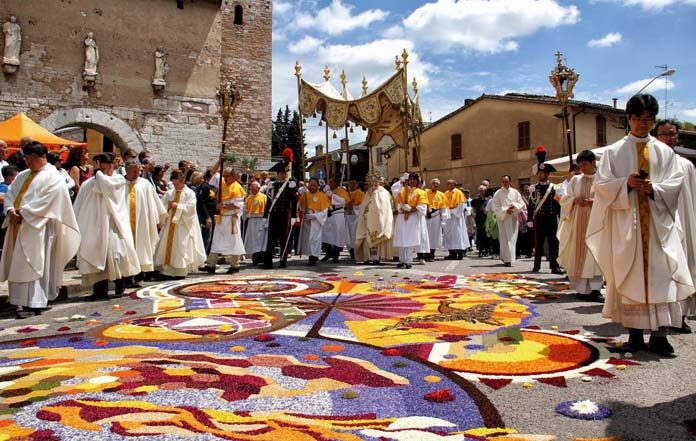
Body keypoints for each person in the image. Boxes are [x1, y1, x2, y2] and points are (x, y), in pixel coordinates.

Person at [586, 93, 693, 357]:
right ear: (628, 118)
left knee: (661, 274)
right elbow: (601, 186)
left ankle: (659, 336)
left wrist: (654, 188)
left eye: (648, 119)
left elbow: (675, 183)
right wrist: (626, 185)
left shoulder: (665, 152)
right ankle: (634, 334)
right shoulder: (613, 152)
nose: (642, 124)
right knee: (631, 274)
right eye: (637, 119)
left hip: (658, 225)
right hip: (628, 225)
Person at [0, 142, 79, 318]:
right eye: (25, 157)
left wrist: (23, 212)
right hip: (18, 225)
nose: (27, 161)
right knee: (19, 262)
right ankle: (19, 302)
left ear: (42, 156)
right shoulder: (22, 175)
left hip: (40, 226)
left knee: (35, 261)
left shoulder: (53, 177)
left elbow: (49, 200)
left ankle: (34, 303)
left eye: (31, 158)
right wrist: (10, 210)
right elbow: (11, 194)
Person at [74, 153, 140, 301]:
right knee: (96, 258)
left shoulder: (117, 181)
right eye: (99, 166)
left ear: (111, 166)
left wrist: (98, 173)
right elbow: (79, 204)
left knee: (116, 256)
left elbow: (107, 186)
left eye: (103, 166)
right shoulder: (88, 183)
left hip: (112, 225)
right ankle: (99, 291)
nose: (102, 170)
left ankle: (120, 285)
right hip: (93, 227)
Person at [652, 119, 695, 333]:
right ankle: (662, 316)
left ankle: (682, 315)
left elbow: (692, 198)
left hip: (684, 220)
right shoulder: (652, 163)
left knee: (684, 264)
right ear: (656, 137)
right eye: (664, 134)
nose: (669, 138)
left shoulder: (686, 165)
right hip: (662, 224)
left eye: (673, 134)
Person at [557, 150, 604, 302]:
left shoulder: (602, 179)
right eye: (580, 165)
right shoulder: (576, 180)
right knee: (579, 254)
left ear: (593, 163)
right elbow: (565, 198)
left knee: (595, 255)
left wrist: (595, 203)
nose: (582, 168)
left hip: (597, 224)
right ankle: (582, 289)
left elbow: (609, 199)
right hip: (578, 223)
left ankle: (596, 289)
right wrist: (574, 200)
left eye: (584, 164)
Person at [154, 171, 206, 278]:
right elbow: (161, 207)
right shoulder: (170, 193)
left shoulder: (189, 193)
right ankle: (166, 270)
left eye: (177, 183)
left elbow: (191, 209)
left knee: (180, 246)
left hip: (182, 225)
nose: (175, 185)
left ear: (182, 181)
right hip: (170, 224)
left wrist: (177, 205)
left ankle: (179, 271)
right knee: (167, 246)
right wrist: (166, 209)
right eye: (174, 183)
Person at [123, 160, 166, 284]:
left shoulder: (144, 184)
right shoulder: (119, 183)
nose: (137, 174)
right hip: (124, 223)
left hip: (142, 222)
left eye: (139, 171)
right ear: (127, 170)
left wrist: (156, 219)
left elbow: (153, 202)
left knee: (141, 249)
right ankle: (125, 277)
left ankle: (139, 276)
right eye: (134, 171)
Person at [202, 168, 246, 274]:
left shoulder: (237, 188)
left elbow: (237, 205)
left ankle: (235, 265)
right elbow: (211, 175)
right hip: (221, 217)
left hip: (231, 219)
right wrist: (219, 161)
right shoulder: (222, 183)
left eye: (227, 176)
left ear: (234, 176)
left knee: (234, 241)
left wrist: (224, 205)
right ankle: (211, 264)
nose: (224, 178)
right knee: (216, 240)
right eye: (224, 175)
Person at [528, 162, 563, 274]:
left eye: (542, 173)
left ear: (547, 174)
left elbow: (558, 204)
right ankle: (536, 265)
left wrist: (561, 217)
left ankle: (554, 266)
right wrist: (529, 219)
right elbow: (531, 205)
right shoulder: (534, 188)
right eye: (539, 173)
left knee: (553, 242)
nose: (540, 175)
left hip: (552, 218)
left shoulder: (555, 188)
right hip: (540, 218)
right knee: (539, 242)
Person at [262, 164, 297, 269]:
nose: (283, 175)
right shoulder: (272, 185)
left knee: (283, 239)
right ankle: (268, 262)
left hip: (284, 215)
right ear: (277, 174)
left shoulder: (289, 185)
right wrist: (265, 216)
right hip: (273, 215)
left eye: (284, 173)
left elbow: (293, 201)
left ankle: (283, 261)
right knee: (271, 239)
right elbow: (268, 202)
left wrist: (294, 216)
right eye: (281, 173)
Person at [355, 172, 394, 264]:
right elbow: (364, 206)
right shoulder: (368, 193)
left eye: (375, 181)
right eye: (371, 181)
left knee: (378, 234)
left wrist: (379, 213)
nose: (373, 183)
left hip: (380, 218)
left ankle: (377, 257)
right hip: (367, 218)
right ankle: (367, 257)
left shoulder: (384, 192)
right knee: (367, 235)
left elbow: (386, 206)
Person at [393, 173, 428, 269]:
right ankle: (401, 260)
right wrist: (401, 181)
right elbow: (394, 190)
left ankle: (408, 260)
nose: (412, 181)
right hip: (401, 217)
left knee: (409, 239)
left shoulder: (421, 192)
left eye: (414, 179)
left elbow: (422, 207)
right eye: (410, 179)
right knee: (401, 238)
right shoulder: (403, 190)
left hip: (412, 218)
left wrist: (410, 209)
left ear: (417, 181)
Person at [491, 175, 525, 267]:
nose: (505, 183)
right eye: (503, 181)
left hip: (513, 218)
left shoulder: (515, 192)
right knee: (504, 239)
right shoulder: (498, 193)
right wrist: (505, 210)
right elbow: (495, 206)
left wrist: (514, 207)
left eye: (506, 181)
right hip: (503, 218)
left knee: (512, 239)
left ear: (509, 182)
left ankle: (510, 258)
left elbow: (521, 203)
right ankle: (506, 259)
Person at [298, 177, 330, 266]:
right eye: (310, 185)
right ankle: (310, 255)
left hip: (316, 221)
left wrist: (314, 216)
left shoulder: (322, 196)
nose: (312, 187)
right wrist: (301, 196)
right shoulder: (305, 195)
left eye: (314, 185)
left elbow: (324, 212)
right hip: (307, 221)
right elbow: (301, 207)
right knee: (308, 240)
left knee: (315, 240)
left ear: (317, 186)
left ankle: (313, 257)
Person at [322, 179, 349, 263]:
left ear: (336, 183)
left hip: (338, 214)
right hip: (328, 214)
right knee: (325, 234)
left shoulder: (341, 191)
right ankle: (328, 252)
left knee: (337, 235)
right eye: (329, 182)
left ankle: (335, 255)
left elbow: (343, 201)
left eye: (331, 182)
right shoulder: (325, 191)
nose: (329, 184)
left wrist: (331, 195)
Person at [443, 179, 470, 260]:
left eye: (450, 184)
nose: (448, 185)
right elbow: (444, 205)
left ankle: (460, 253)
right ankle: (452, 253)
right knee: (449, 235)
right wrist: (447, 211)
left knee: (458, 235)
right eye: (447, 184)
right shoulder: (445, 193)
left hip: (456, 218)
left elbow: (461, 206)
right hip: (448, 218)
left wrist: (451, 211)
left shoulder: (459, 193)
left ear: (454, 185)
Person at [243, 180, 268, 265]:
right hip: (251, 220)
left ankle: (260, 256)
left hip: (261, 220)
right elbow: (245, 209)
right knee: (252, 240)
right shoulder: (249, 198)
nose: (252, 190)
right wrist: (244, 216)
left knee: (260, 239)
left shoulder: (264, 197)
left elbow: (267, 209)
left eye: (254, 188)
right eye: (251, 188)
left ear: (258, 188)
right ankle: (255, 257)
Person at [425, 178, 448, 261]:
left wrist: (443, 220)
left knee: (435, 236)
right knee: (426, 235)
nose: (436, 185)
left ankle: (432, 253)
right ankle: (425, 253)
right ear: (431, 184)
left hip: (436, 217)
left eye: (437, 183)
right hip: (426, 217)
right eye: (434, 183)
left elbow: (444, 208)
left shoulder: (441, 195)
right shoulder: (425, 193)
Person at [345, 180, 364, 261]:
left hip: (356, 217)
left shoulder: (360, 193)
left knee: (354, 235)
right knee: (348, 235)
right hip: (348, 217)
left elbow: (362, 206)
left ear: (357, 184)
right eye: (350, 184)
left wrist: (352, 206)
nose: (352, 185)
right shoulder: (346, 193)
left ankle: (356, 251)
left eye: (354, 183)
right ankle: (351, 250)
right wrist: (347, 206)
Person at [471, 185, 489, 257]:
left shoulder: (488, 200)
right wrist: (474, 220)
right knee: (480, 235)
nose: (482, 192)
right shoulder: (475, 200)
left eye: (484, 191)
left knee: (487, 235)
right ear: (479, 191)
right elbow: (473, 211)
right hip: (478, 220)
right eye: (481, 191)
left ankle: (487, 250)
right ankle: (481, 250)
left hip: (487, 220)